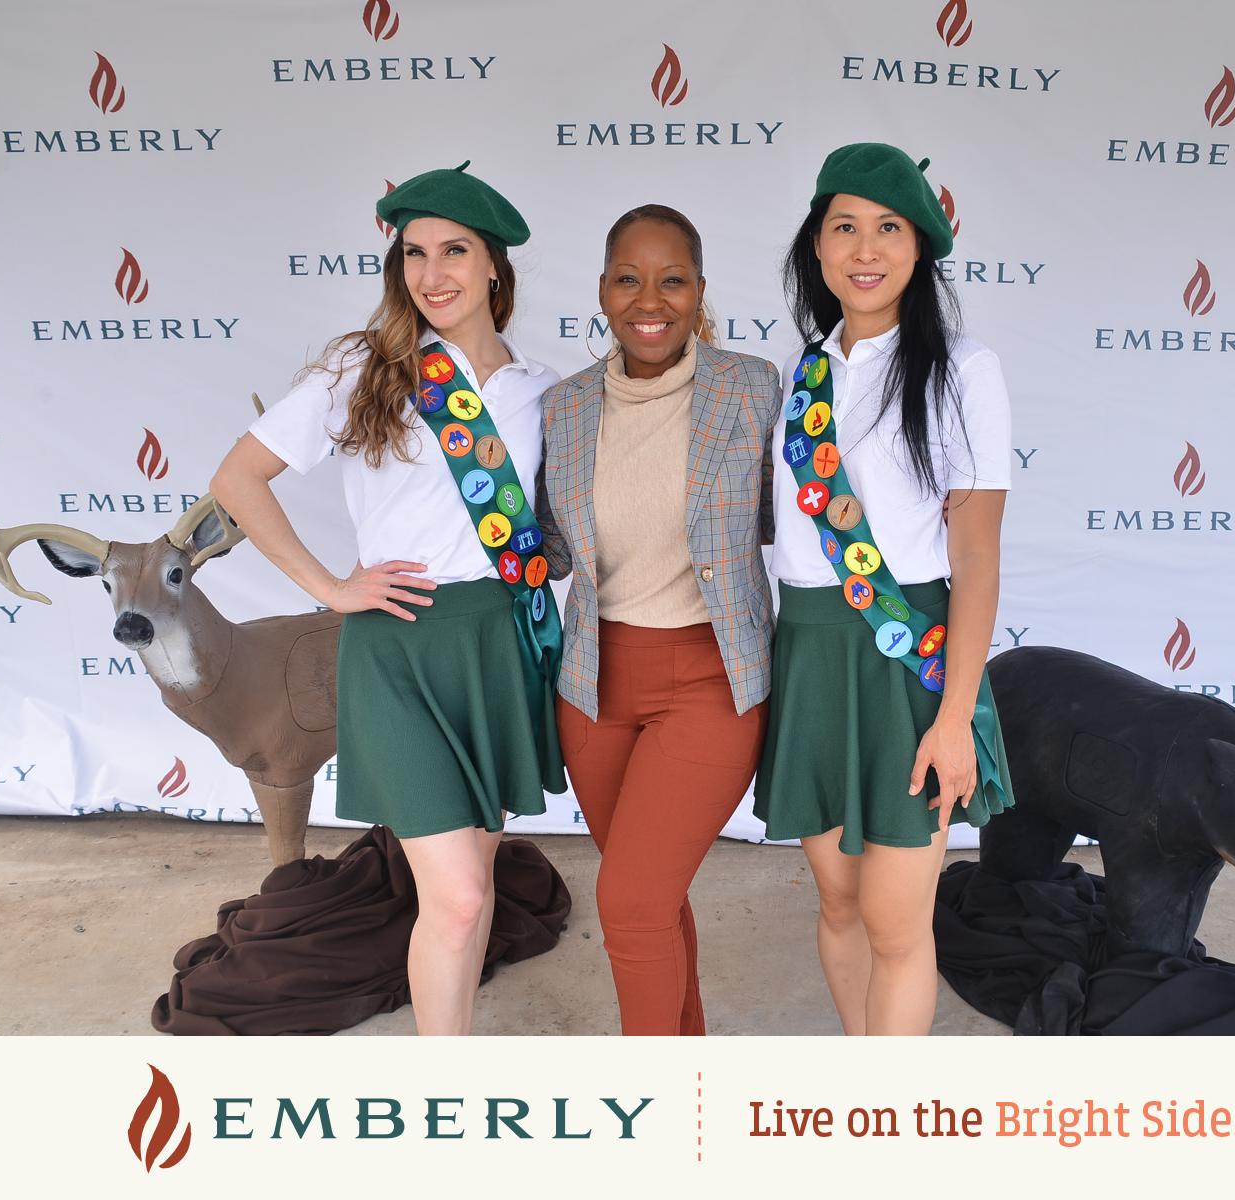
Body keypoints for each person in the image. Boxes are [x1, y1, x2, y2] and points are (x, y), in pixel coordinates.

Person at [208, 162, 563, 1036]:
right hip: (399, 646)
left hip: (498, 645)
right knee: (457, 894)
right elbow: (237, 479)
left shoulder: (540, 388)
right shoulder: (366, 369)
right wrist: (330, 586)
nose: (431, 273)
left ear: (493, 268)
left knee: (471, 889)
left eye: (454, 251)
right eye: (413, 254)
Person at [755, 143, 1015, 1035]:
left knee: (898, 921)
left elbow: (976, 559)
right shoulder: (800, 376)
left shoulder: (963, 369)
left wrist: (955, 720)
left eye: (889, 229)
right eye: (846, 228)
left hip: (910, 665)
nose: (866, 249)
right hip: (811, 658)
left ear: (919, 249)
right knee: (838, 906)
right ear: (817, 249)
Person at [535, 204, 782, 1035]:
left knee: (630, 901)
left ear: (701, 291)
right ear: (602, 291)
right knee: (652, 895)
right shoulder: (562, 408)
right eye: (629, 279)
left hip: (710, 679)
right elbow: (548, 551)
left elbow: (808, 523)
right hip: (594, 687)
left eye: (673, 279)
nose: (652, 299)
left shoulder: (754, 389)